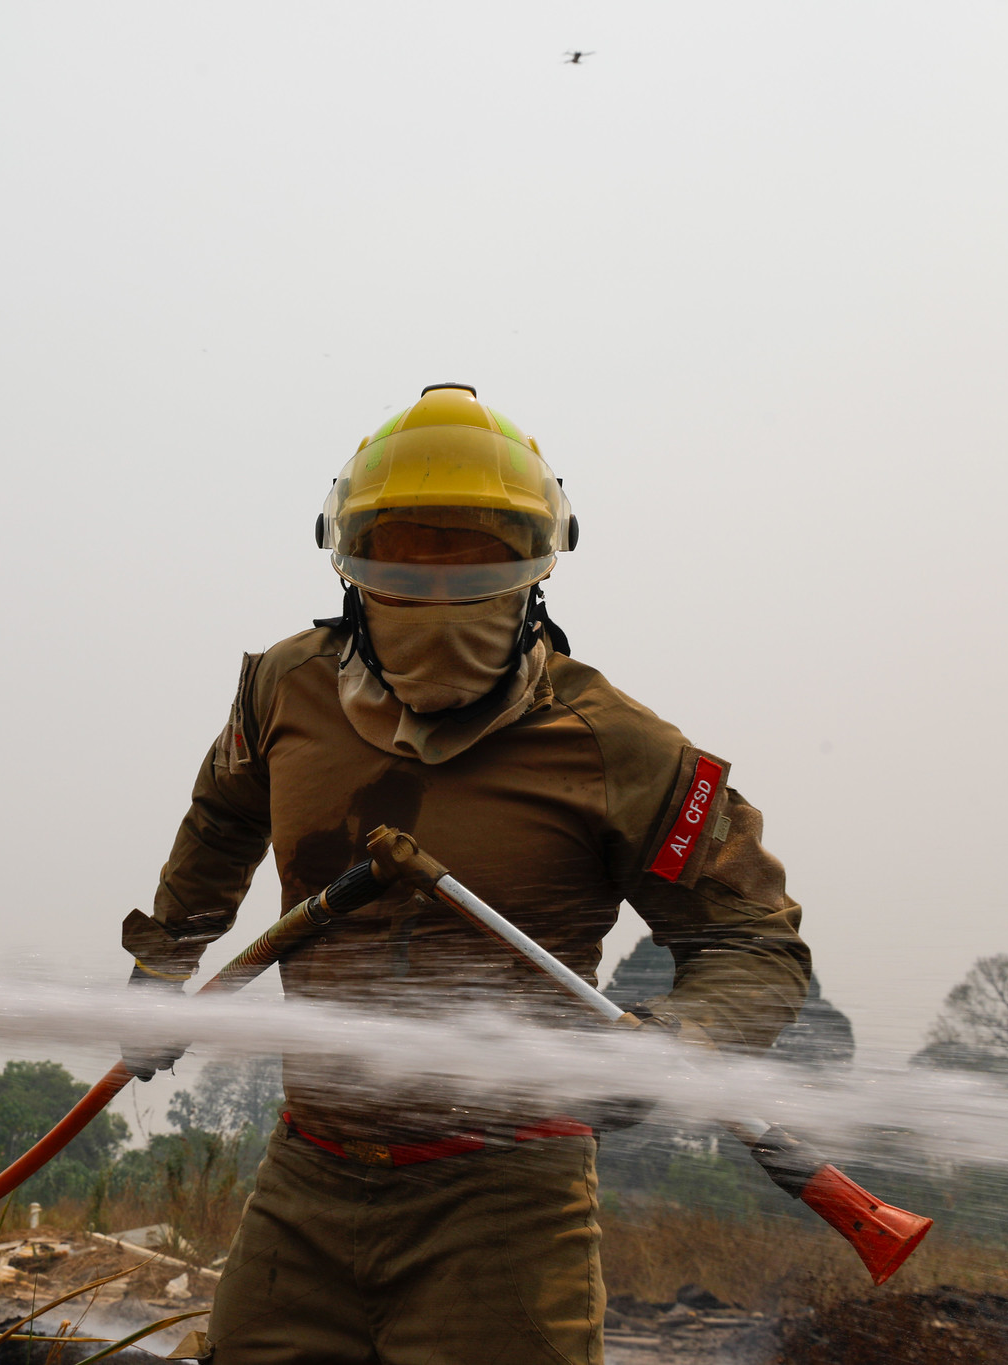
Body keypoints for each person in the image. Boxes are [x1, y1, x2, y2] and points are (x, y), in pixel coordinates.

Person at [121, 383, 810, 1364]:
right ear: (350, 559)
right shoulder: (283, 691)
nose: (437, 592)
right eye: (406, 555)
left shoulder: (618, 747)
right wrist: (162, 967)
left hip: (504, 1203)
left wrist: (675, 1043)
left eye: (473, 557)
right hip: (304, 1178)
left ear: (534, 565)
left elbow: (752, 939)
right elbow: (218, 822)